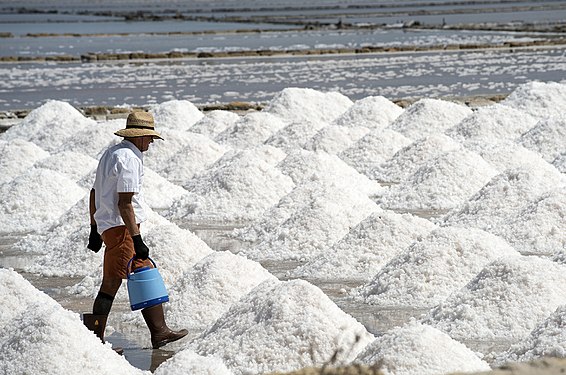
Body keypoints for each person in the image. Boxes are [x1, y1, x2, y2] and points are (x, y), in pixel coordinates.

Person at [83, 111, 187, 352]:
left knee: (112, 280)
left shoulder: (111, 153)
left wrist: (94, 228)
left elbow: (93, 193)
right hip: (122, 228)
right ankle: (159, 333)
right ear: (139, 136)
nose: (151, 142)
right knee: (140, 270)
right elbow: (125, 203)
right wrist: (137, 239)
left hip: (111, 226)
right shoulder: (130, 158)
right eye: (149, 138)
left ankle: (95, 340)